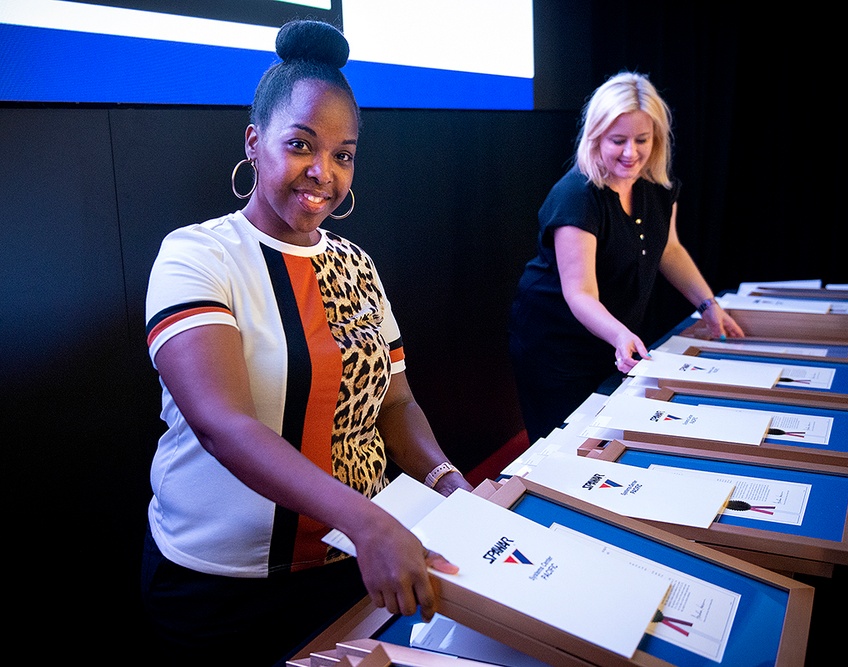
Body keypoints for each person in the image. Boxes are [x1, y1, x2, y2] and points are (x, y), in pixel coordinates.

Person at [140, 20, 473, 667]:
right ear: (254, 141)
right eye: (301, 144)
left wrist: (446, 478)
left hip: (347, 568)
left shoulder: (357, 264)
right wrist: (370, 520)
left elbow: (396, 403)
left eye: (343, 154)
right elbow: (223, 424)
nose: (323, 172)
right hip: (221, 593)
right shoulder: (195, 256)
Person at [508, 71, 745, 444]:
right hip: (556, 345)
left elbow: (669, 249)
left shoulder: (656, 188)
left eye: (642, 140)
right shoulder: (577, 195)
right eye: (618, 140)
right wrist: (620, 334)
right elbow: (580, 293)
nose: (631, 152)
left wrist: (708, 305)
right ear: (596, 136)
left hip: (612, 339)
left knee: (607, 439)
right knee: (566, 445)